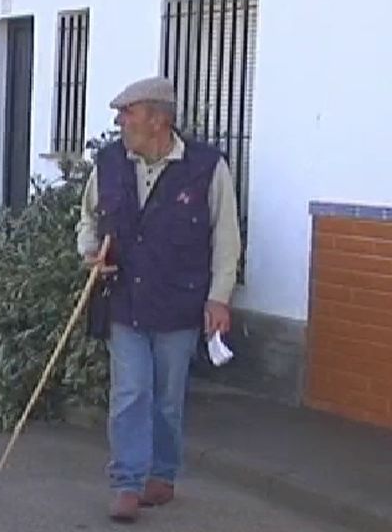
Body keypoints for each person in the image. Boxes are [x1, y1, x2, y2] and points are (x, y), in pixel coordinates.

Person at [76, 76, 242, 523]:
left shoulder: (207, 166)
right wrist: (91, 254)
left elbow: (226, 237)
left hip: (180, 302)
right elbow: (88, 219)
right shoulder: (109, 162)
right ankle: (127, 484)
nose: (120, 121)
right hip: (125, 299)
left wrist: (218, 299)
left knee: (167, 397)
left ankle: (162, 477)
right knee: (130, 391)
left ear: (158, 119)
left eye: (128, 113)